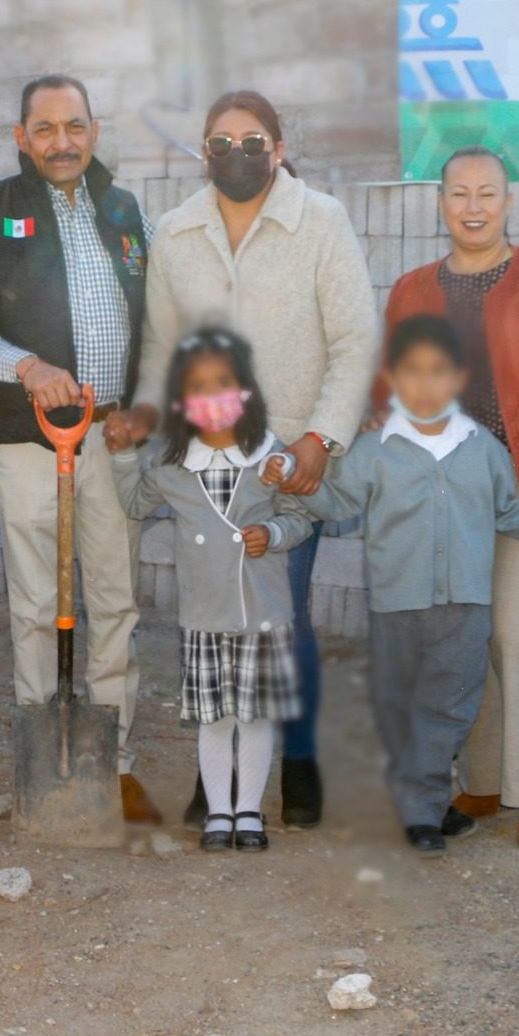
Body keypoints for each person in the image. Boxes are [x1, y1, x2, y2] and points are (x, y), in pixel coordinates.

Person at [124, 89, 378, 829]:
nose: (237, 152)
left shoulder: (321, 222)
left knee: (280, 615)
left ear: (279, 145)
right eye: (221, 141)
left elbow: (356, 340)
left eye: (253, 139)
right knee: (211, 613)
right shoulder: (176, 233)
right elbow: (161, 350)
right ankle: (222, 773)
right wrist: (152, 429)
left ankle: (295, 757)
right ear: (202, 152)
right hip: (204, 460)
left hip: (283, 463)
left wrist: (320, 438)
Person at [372, 147, 519, 850]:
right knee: (465, 635)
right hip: (451, 495)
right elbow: (392, 393)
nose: (473, 206)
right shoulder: (412, 290)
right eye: (459, 194)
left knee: (517, 631)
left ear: (510, 202)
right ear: (439, 203)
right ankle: (482, 779)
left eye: (487, 193)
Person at [288, 316, 519, 855]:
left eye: (437, 372)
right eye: (412, 373)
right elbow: (336, 505)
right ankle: (418, 805)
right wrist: (297, 480)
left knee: (450, 705)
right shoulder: (376, 450)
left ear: (458, 378)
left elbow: (512, 511)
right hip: (397, 607)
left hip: (465, 607)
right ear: (394, 380)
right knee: (401, 704)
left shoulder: (482, 448)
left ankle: (420, 809)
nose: (425, 385)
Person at [0, 74, 162, 824]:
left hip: (109, 438)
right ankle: (45, 753)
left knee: (114, 600)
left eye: (74, 127)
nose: (62, 143)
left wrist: (145, 404)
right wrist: (28, 366)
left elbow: (155, 319)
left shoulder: (124, 210)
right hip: (27, 439)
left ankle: (114, 757)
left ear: (94, 132)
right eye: (45, 129)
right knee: (37, 604)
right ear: (21, 137)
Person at [112, 329, 312, 852]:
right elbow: (134, 503)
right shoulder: (174, 469)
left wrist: (272, 535)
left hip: (263, 612)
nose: (213, 396)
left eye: (224, 383)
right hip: (204, 614)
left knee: (258, 714)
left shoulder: (271, 459)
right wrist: (122, 453)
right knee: (216, 718)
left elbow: (300, 518)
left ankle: (250, 812)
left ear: (245, 390)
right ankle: (218, 814)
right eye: (199, 387)